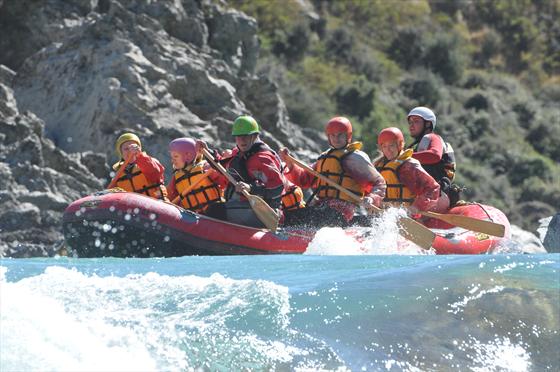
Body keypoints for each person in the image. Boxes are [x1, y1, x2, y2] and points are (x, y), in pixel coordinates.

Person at [279, 116, 386, 227]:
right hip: (322, 207)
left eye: (340, 135)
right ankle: (282, 223)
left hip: (342, 210)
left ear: (348, 136)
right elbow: (304, 179)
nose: (336, 138)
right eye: (332, 135)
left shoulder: (355, 157)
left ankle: (283, 222)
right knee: (293, 215)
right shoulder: (324, 157)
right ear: (328, 137)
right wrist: (290, 164)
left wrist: (372, 198)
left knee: (295, 218)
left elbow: (379, 183)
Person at [197, 115, 287, 228]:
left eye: (245, 136)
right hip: (243, 206)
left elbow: (277, 188)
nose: (241, 140)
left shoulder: (265, 158)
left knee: (215, 210)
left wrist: (251, 188)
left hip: (265, 212)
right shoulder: (238, 153)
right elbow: (221, 166)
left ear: (255, 136)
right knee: (212, 208)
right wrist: (207, 151)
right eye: (238, 137)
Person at [374, 127, 449, 214]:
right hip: (385, 213)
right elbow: (373, 187)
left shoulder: (409, 165)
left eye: (391, 145)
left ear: (399, 145)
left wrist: (416, 207)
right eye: (384, 146)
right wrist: (371, 199)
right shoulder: (378, 166)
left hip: (407, 214)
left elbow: (433, 188)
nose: (388, 150)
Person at [406, 106, 461, 205]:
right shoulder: (414, 147)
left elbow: (435, 155)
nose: (411, 125)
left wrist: (406, 157)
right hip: (425, 192)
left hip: (437, 192)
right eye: (410, 122)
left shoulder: (432, 137)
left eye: (416, 121)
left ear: (428, 124)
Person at [166, 137, 224, 214]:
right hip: (192, 217)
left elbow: (224, 178)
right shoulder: (176, 177)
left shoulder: (206, 168)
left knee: (214, 209)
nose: (172, 160)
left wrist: (211, 154)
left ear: (188, 156)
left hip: (215, 213)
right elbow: (169, 196)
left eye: (176, 156)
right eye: (172, 157)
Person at [111, 133, 168, 201]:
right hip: (135, 209)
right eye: (126, 149)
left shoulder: (150, 162)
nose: (130, 151)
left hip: (157, 204)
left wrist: (140, 156)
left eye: (134, 147)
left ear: (139, 148)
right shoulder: (119, 174)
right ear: (121, 153)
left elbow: (154, 173)